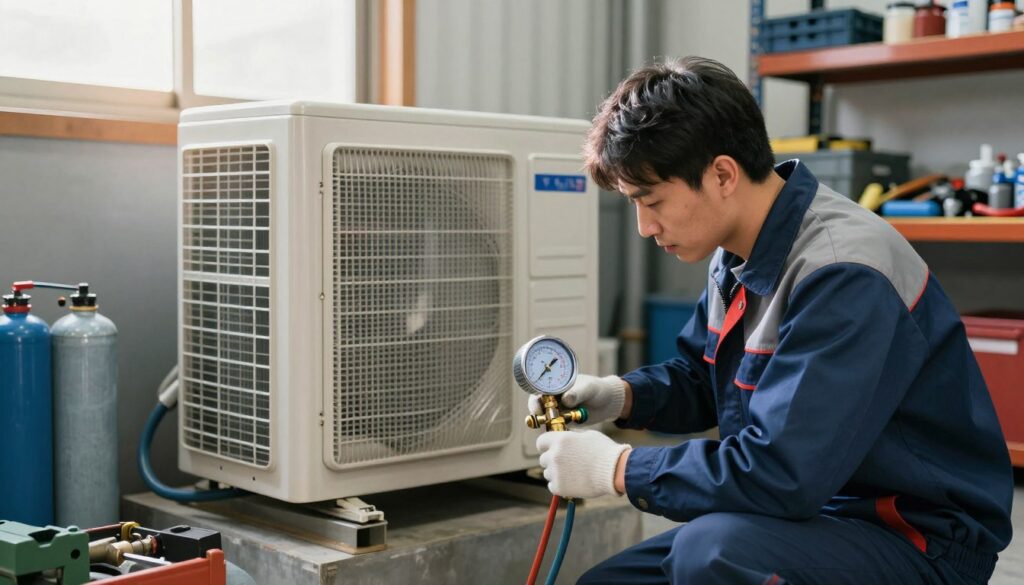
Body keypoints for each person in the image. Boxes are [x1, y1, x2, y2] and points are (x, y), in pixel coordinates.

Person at [529, 56, 1013, 585]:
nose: (645, 227)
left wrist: (618, 469)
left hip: (917, 536)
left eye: (652, 201)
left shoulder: (844, 271)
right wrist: (617, 395)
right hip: (819, 511)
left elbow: (782, 472)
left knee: (712, 553)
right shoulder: (734, 253)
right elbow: (704, 379)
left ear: (721, 175)